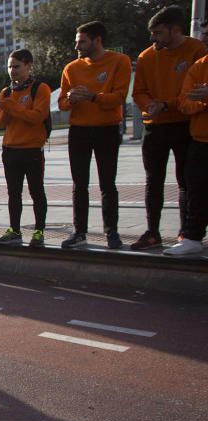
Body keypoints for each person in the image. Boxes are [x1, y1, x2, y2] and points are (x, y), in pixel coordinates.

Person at [131, 6, 207, 251]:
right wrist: (150, 105)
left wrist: (167, 104)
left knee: (187, 181)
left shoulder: (196, 49)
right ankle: (152, 232)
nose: (154, 39)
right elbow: (139, 91)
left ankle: (186, 234)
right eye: (152, 33)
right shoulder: (146, 57)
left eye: (159, 33)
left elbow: (192, 93)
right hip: (155, 127)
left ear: (176, 30)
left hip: (184, 124)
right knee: (154, 180)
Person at [59, 21, 131, 250]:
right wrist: (71, 99)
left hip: (106, 129)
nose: (77, 46)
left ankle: (112, 232)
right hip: (79, 131)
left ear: (97, 40)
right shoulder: (71, 68)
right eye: (76, 41)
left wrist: (92, 96)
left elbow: (119, 97)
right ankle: (79, 231)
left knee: (107, 184)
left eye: (82, 41)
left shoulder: (120, 62)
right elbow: (61, 103)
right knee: (79, 184)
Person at [0, 49, 51, 248]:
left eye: (16, 66)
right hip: (10, 151)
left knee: (37, 191)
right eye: (9, 67)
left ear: (28, 65)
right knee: (13, 193)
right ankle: (14, 230)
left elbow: (37, 117)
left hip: (33, 150)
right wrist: (8, 109)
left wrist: (13, 108)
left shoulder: (40, 89)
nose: (12, 71)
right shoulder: (6, 92)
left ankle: (39, 231)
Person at [167, 17, 208, 256]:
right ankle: (192, 237)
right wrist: (202, 102)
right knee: (197, 191)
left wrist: (203, 99)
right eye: (203, 34)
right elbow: (184, 102)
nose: (203, 40)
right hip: (200, 140)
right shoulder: (199, 66)